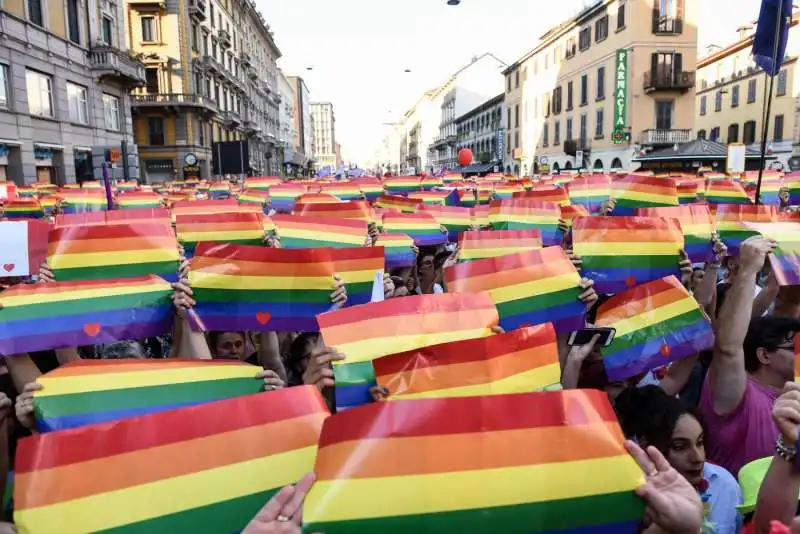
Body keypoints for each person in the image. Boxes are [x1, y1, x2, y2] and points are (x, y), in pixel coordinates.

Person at [701, 236, 800, 476]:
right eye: (796, 349)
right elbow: (728, 347)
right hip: (745, 512)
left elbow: (790, 302)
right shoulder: (738, 395)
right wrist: (747, 271)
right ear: (765, 355)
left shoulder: (793, 393)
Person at [616, 386, 742, 534]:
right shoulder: (627, 498)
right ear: (645, 447)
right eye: (679, 447)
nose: (698, 458)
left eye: (700, 442)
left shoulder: (723, 483)